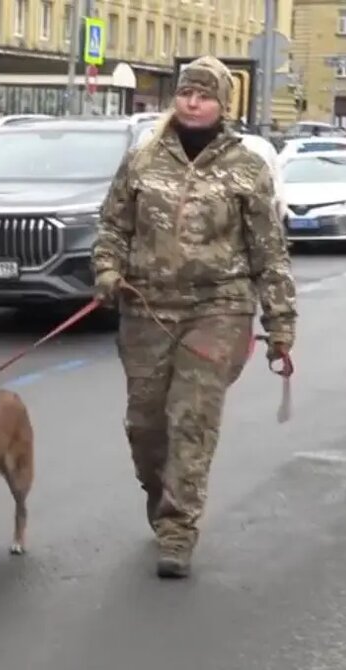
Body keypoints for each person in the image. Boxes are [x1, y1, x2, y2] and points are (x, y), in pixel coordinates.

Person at [91, 55, 297, 579]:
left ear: (222, 103)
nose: (192, 101)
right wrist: (108, 273)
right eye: (186, 92)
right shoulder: (141, 160)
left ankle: (178, 528)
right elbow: (112, 227)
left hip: (219, 308)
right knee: (145, 426)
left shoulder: (247, 168)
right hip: (145, 305)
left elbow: (269, 251)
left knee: (192, 418)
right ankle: (160, 494)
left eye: (204, 94)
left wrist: (279, 323)